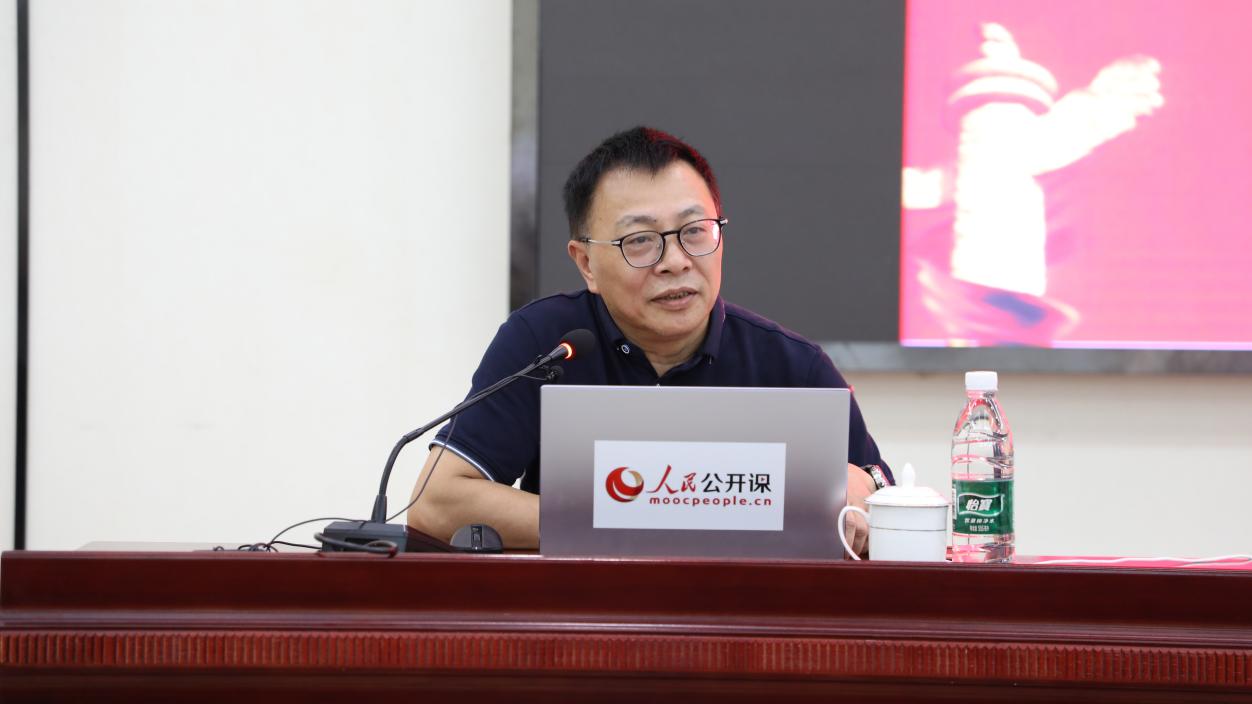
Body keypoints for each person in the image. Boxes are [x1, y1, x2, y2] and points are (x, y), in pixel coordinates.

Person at [407, 126, 892, 553]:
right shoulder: (546, 344)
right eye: (639, 240)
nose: (675, 261)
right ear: (586, 263)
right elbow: (436, 505)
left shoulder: (792, 366)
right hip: (584, 617)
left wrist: (868, 491)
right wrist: (635, 521)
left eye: (695, 231)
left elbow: (882, 501)